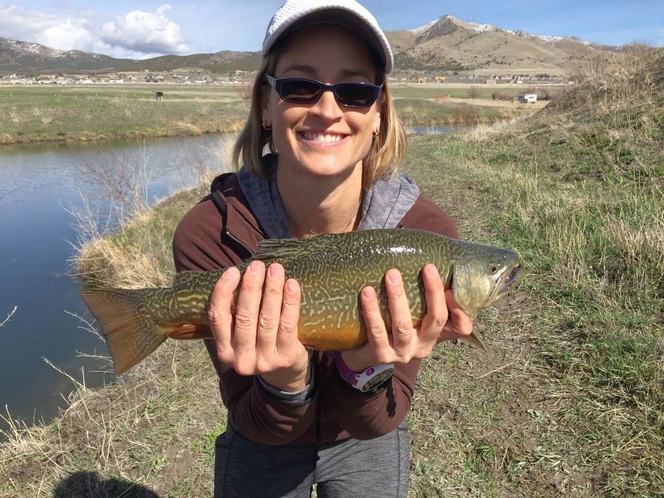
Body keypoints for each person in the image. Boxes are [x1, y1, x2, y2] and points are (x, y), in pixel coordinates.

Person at [172, 0, 473, 496]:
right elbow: (253, 417)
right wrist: (285, 382)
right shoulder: (209, 232)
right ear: (265, 105)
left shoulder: (426, 236)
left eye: (354, 91)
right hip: (262, 428)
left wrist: (365, 368)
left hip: (366, 433)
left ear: (379, 114)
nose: (328, 109)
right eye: (299, 85)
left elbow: (376, 421)